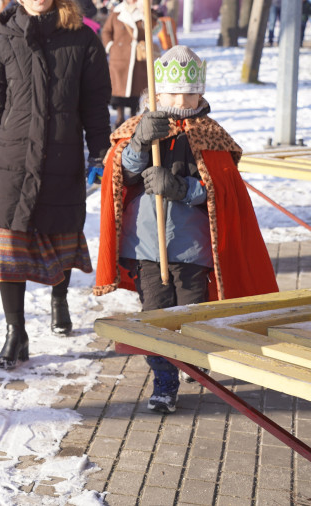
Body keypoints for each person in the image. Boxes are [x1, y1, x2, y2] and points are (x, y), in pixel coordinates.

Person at [95, 45, 278, 413]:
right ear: (158, 93)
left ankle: (191, 360)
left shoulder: (210, 135)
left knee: (191, 313)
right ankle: (164, 380)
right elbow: (123, 174)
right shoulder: (140, 128)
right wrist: (140, 142)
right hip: (148, 248)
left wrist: (182, 190)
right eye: (173, 92)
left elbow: (221, 194)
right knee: (156, 318)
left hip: (193, 250)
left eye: (188, 92)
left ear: (200, 93)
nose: (181, 99)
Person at [0, 0, 111, 370]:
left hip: (63, 156)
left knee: (60, 236)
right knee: (10, 246)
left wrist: (98, 153)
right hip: (10, 161)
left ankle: (60, 298)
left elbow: (95, 103)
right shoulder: (2, 44)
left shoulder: (83, 42)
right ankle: (16, 334)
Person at [101, 0, 162, 127]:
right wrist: (110, 46)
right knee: (118, 90)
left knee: (136, 90)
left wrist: (146, 10)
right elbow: (106, 31)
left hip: (138, 59)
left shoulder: (144, 13)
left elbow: (156, 29)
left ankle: (133, 119)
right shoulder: (117, 13)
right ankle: (120, 117)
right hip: (119, 58)